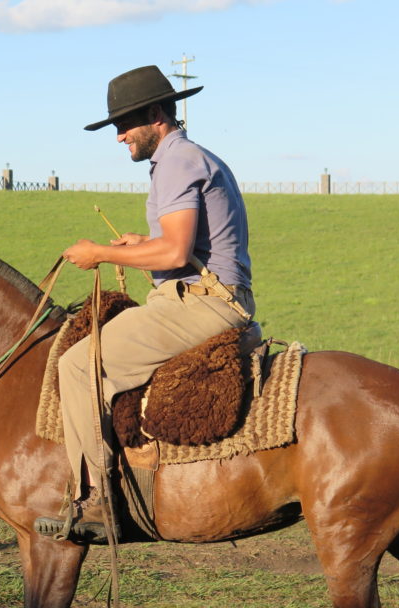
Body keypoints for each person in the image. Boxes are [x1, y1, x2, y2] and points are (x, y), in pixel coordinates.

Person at [34, 65, 256, 543]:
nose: (119, 138)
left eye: (124, 125)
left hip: (201, 305)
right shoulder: (188, 158)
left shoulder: (178, 162)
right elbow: (182, 245)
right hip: (200, 295)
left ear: (156, 115)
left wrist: (102, 253)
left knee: (76, 366)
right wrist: (140, 244)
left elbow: (174, 253)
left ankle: (97, 502)